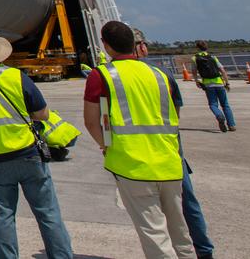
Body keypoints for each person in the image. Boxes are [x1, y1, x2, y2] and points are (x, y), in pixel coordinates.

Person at [0, 33, 74, 259]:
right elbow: (43, 113)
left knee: (2, 216)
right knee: (48, 213)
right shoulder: (17, 76)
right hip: (28, 154)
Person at [84, 21, 194, 259]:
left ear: (105, 46)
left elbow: (91, 122)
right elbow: (174, 114)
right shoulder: (159, 74)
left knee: (154, 235)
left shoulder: (101, 75)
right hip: (169, 162)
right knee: (180, 231)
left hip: (132, 165)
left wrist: (106, 145)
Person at [135, 31, 215, 259]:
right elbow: (176, 109)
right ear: (140, 47)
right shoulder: (162, 72)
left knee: (149, 214)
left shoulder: (112, 75)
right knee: (186, 201)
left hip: (136, 151)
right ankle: (202, 251)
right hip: (169, 145)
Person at [191, 41, 235, 133]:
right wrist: (227, 83)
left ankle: (219, 115)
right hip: (219, 83)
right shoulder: (213, 57)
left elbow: (194, 71)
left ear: (197, 48)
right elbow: (222, 70)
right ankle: (231, 125)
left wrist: (196, 81)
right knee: (225, 104)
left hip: (208, 84)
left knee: (213, 104)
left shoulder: (195, 58)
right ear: (206, 48)